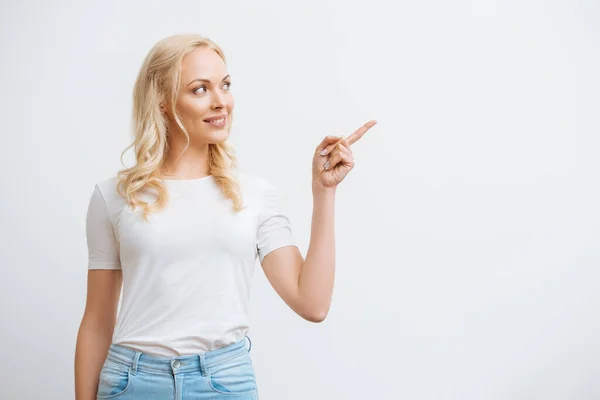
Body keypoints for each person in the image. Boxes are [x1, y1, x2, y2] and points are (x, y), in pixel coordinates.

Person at [74, 33, 376, 400]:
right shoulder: (113, 197)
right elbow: (96, 322)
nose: (221, 102)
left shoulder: (254, 195)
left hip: (222, 383)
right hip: (134, 383)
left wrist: (324, 192)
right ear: (164, 102)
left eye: (225, 85)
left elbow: (312, 304)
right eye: (200, 89)